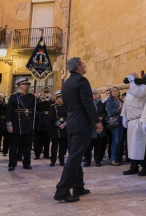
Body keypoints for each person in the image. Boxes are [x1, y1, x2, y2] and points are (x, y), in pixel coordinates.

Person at [54, 57, 103, 203]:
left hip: (72, 124)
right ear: (78, 67)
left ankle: (78, 186)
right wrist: (96, 120)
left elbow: (67, 105)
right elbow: (88, 103)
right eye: (83, 63)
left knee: (76, 154)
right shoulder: (82, 81)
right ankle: (62, 190)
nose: (85, 64)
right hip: (82, 125)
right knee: (75, 157)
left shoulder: (67, 83)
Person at [121, 73, 146, 175]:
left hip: (140, 119)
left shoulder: (143, 87)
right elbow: (126, 104)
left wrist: (132, 81)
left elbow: (137, 93)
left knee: (141, 145)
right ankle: (133, 166)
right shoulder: (131, 88)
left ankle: (145, 167)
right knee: (132, 146)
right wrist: (124, 116)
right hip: (131, 121)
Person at [5, 77, 36, 171]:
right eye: (25, 84)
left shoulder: (32, 97)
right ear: (20, 86)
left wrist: (37, 98)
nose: (27, 86)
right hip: (16, 125)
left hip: (27, 124)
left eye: (28, 84)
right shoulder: (14, 97)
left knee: (27, 146)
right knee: (13, 146)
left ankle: (26, 163)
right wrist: (9, 124)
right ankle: (12, 164)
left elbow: (35, 111)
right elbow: (8, 111)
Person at [84, 88, 107, 167]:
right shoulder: (86, 104)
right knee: (88, 146)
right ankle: (88, 161)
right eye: (94, 94)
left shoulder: (100, 103)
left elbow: (104, 112)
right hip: (89, 128)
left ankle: (97, 161)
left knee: (98, 146)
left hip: (98, 128)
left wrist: (101, 117)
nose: (95, 95)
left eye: (96, 94)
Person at [106, 86, 124, 166]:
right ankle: (113, 159)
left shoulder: (120, 100)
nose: (115, 92)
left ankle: (117, 158)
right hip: (114, 122)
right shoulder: (109, 101)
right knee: (115, 140)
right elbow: (109, 112)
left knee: (120, 141)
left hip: (121, 122)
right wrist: (118, 109)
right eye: (113, 91)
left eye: (117, 90)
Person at [49, 90, 68, 167]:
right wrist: (59, 124)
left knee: (63, 146)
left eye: (62, 97)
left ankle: (62, 160)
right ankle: (53, 161)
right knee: (54, 146)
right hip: (55, 129)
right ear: (56, 98)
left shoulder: (66, 106)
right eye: (59, 98)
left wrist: (65, 124)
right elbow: (52, 118)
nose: (61, 99)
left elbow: (69, 116)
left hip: (64, 128)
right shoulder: (52, 107)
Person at [34, 87, 52, 160]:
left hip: (48, 120)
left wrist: (50, 100)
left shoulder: (51, 100)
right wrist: (38, 99)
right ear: (42, 93)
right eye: (44, 92)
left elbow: (52, 107)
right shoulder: (39, 100)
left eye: (47, 92)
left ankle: (46, 154)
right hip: (40, 120)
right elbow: (36, 107)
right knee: (39, 140)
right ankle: (37, 154)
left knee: (47, 139)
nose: (46, 94)